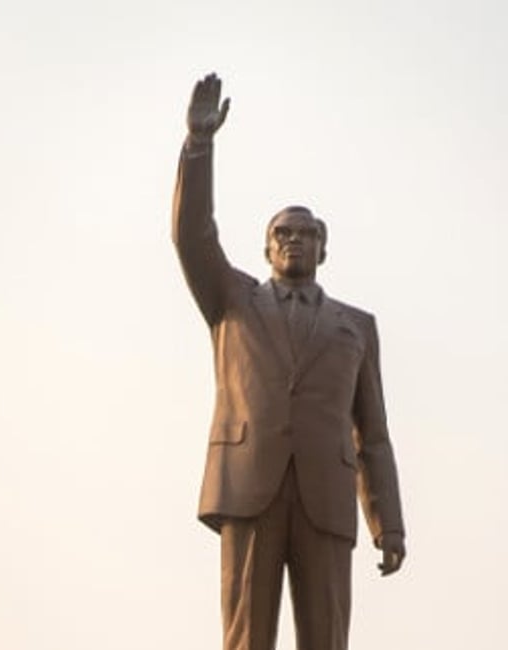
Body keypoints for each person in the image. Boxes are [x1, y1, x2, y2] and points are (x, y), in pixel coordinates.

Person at [172, 73, 406, 650]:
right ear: (267, 247)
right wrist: (199, 147)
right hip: (249, 484)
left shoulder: (357, 326)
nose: (294, 241)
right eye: (283, 233)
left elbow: (372, 434)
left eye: (306, 234)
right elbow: (191, 237)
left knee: (326, 638)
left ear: (324, 247)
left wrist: (388, 522)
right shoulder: (232, 300)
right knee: (246, 636)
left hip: (325, 494)